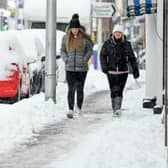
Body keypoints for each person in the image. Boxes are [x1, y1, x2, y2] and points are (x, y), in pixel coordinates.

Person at [100, 24, 139, 116]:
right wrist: (104, 66)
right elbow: (102, 55)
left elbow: (132, 58)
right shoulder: (107, 44)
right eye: (116, 32)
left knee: (119, 90)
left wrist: (135, 70)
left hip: (123, 71)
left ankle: (117, 109)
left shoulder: (126, 44)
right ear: (113, 33)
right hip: (111, 71)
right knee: (113, 90)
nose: (118, 34)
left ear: (122, 34)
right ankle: (115, 108)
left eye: (119, 32)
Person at [61, 14, 93, 116]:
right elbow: (62, 50)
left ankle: (79, 108)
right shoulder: (65, 38)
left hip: (82, 68)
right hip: (70, 68)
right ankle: (70, 109)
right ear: (70, 29)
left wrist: (85, 59)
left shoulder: (84, 39)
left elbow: (89, 50)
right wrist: (66, 59)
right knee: (71, 89)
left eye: (76, 28)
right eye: (72, 28)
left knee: (80, 88)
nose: (74, 30)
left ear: (79, 29)